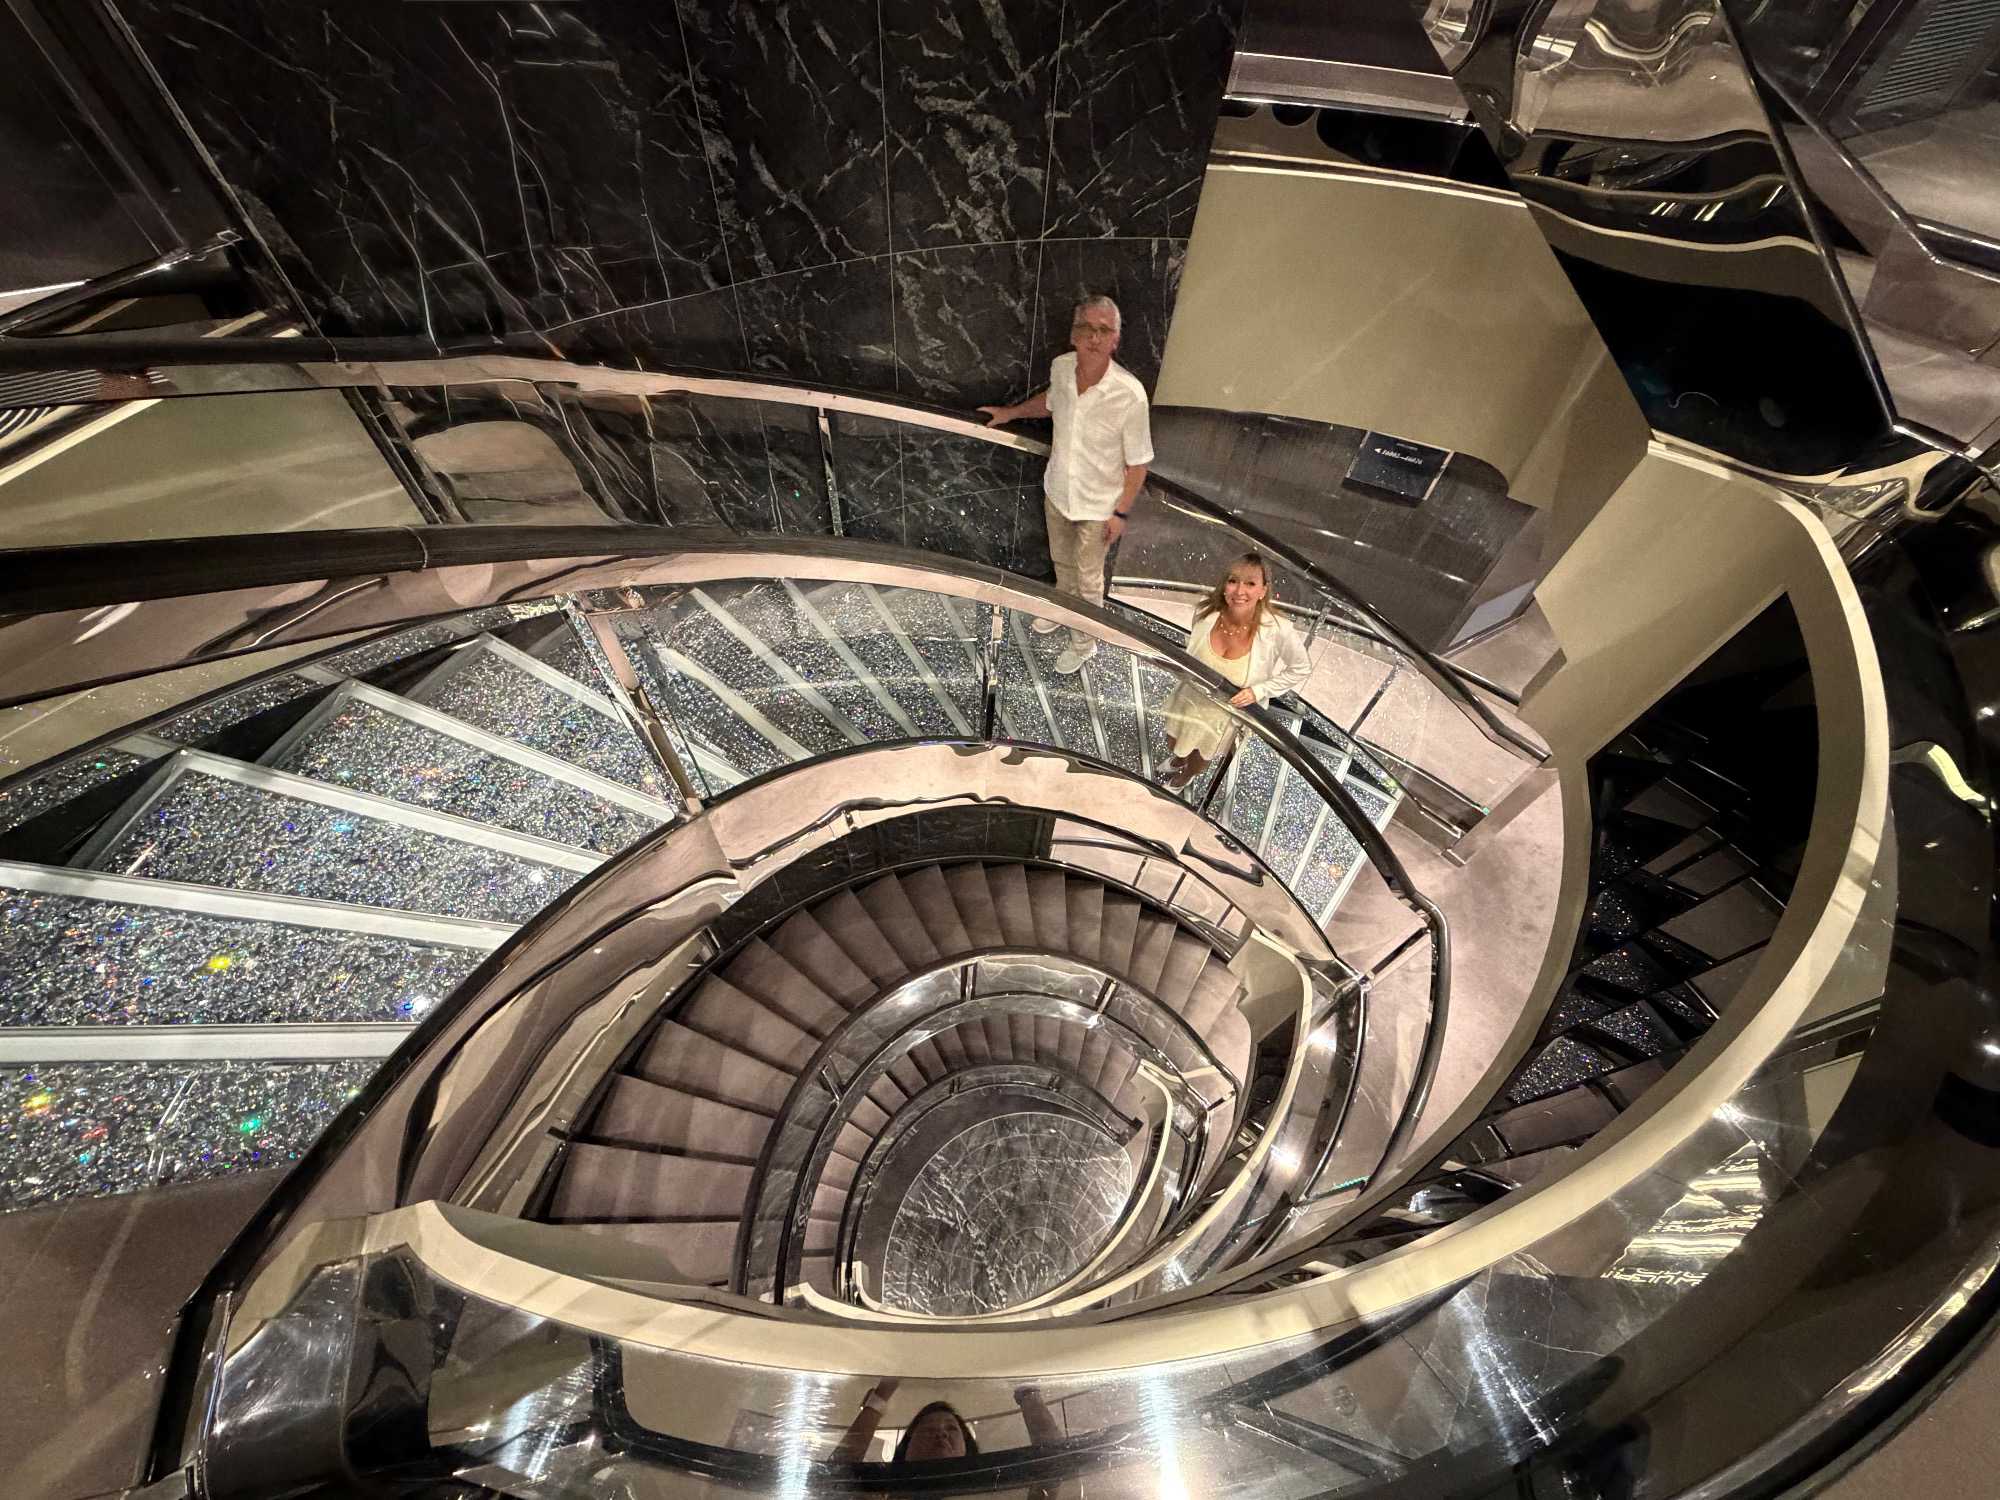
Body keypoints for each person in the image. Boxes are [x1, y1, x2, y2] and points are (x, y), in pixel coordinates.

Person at [980, 294, 1154, 675]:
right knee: (1062, 564)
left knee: (1089, 580)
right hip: (1057, 492)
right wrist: (1011, 413)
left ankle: (1084, 643)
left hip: (1099, 507)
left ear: (1115, 340)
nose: (1094, 337)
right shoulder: (1061, 367)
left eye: (1103, 330)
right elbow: (1051, 402)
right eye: (1086, 328)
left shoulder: (1130, 394)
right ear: (1074, 334)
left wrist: (1121, 513)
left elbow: (1139, 463)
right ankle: (1061, 611)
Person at [1159, 552, 1313, 788]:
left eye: (1250, 583)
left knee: (1200, 758)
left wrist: (1258, 691)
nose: (1240, 591)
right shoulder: (1206, 613)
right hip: (1189, 699)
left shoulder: (1277, 629)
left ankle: (1185, 777)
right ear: (1224, 585)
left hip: (1223, 716)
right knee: (1174, 741)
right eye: (1233, 581)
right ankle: (1179, 759)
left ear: (1263, 590)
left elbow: (1301, 667)